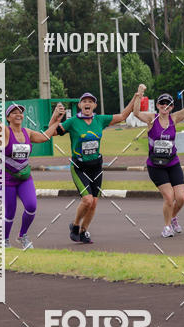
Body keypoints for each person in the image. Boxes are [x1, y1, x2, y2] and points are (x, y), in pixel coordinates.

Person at [52, 92, 137, 244]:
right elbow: (51, 132)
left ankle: (83, 232)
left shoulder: (100, 120)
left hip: (96, 167)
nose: (87, 103)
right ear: (80, 105)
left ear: (95, 105)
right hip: (79, 167)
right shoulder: (72, 122)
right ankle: (75, 226)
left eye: (90, 101)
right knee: (87, 200)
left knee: (94, 203)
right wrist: (55, 116)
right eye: (84, 101)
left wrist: (136, 96)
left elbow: (123, 116)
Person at [132, 84, 184, 237]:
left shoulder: (174, 118)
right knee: (169, 197)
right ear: (158, 105)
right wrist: (139, 93)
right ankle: (167, 227)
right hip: (156, 165)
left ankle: (173, 217)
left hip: (172, 163)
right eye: (162, 103)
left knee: (181, 198)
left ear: (172, 107)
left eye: (168, 104)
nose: (165, 106)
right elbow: (136, 112)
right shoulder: (152, 118)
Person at [4, 103, 65, 249]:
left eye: (20, 112)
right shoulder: (5, 132)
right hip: (6, 178)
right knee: (10, 212)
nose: (18, 114)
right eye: (14, 112)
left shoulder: (28, 132)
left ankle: (22, 236)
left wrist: (57, 120)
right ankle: (4, 240)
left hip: (24, 178)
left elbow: (45, 137)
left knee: (31, 206)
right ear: (8, 117)